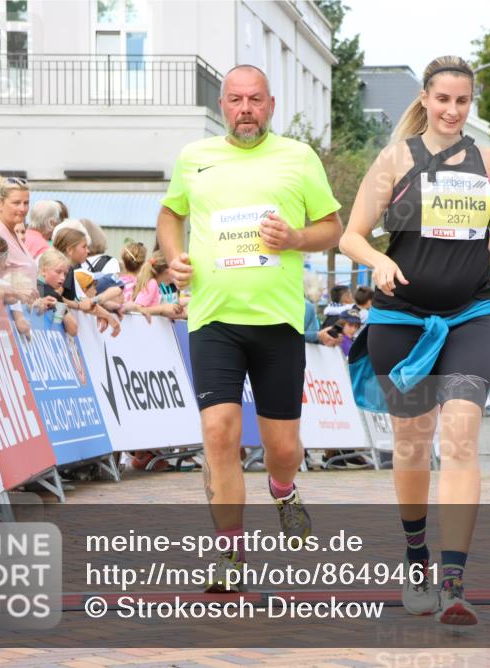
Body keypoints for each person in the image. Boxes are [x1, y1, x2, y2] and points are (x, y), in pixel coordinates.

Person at [338, 55, 490, 626]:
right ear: (425, 98)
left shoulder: (489, 161)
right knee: (413, 445)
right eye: (442, 99)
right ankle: (416, 553)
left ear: (472, 104)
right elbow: (352, 235)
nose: (452, 110)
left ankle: (454, 581)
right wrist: (375, 260)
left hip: (472, 314)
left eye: (462, 101)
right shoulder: (395, 159)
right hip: (402, 320)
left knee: (463, 435)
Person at [156, 64, 342, 592]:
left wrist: (295, 239)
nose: (245, 109)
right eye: (235, 100)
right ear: (223, 107)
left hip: (278, 322)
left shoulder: (298, 158)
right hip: (213, 318)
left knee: (283, 447)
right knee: (219, 434)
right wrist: (174, 257)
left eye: (254, 100)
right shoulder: (196, 158)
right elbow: (171, 215)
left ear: (271, 104)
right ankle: (231, 554)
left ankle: (283, 488)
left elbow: (332, 227)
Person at [35, 248, 78, 336]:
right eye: (58, 272)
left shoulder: (29, 284)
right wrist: (61, 308)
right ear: (43, 271)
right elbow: (73, 330)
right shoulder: (53, 295)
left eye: (65, 274)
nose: (62, 278)